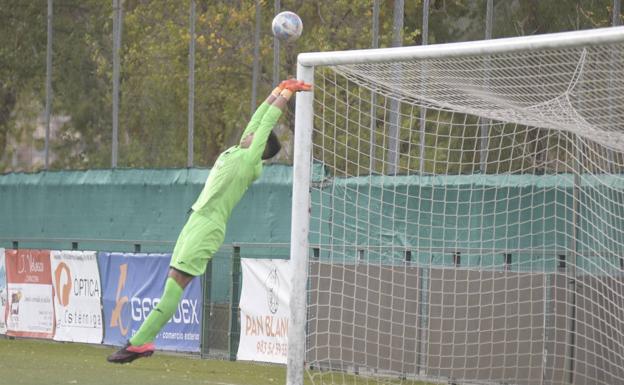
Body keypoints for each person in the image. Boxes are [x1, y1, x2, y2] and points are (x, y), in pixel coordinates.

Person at [107, 78, 312, 363]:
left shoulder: (250, 161)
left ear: (260, 145)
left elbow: (264, 126)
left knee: (174, 284)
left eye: (254, 136)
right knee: (171, 283)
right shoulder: (241, 150)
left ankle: (139, 342)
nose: (248, 133)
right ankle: (141, 341)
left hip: (208, 227)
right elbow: (257, 121)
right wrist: (275, 91)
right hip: (196, 221)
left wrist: (287, 95)